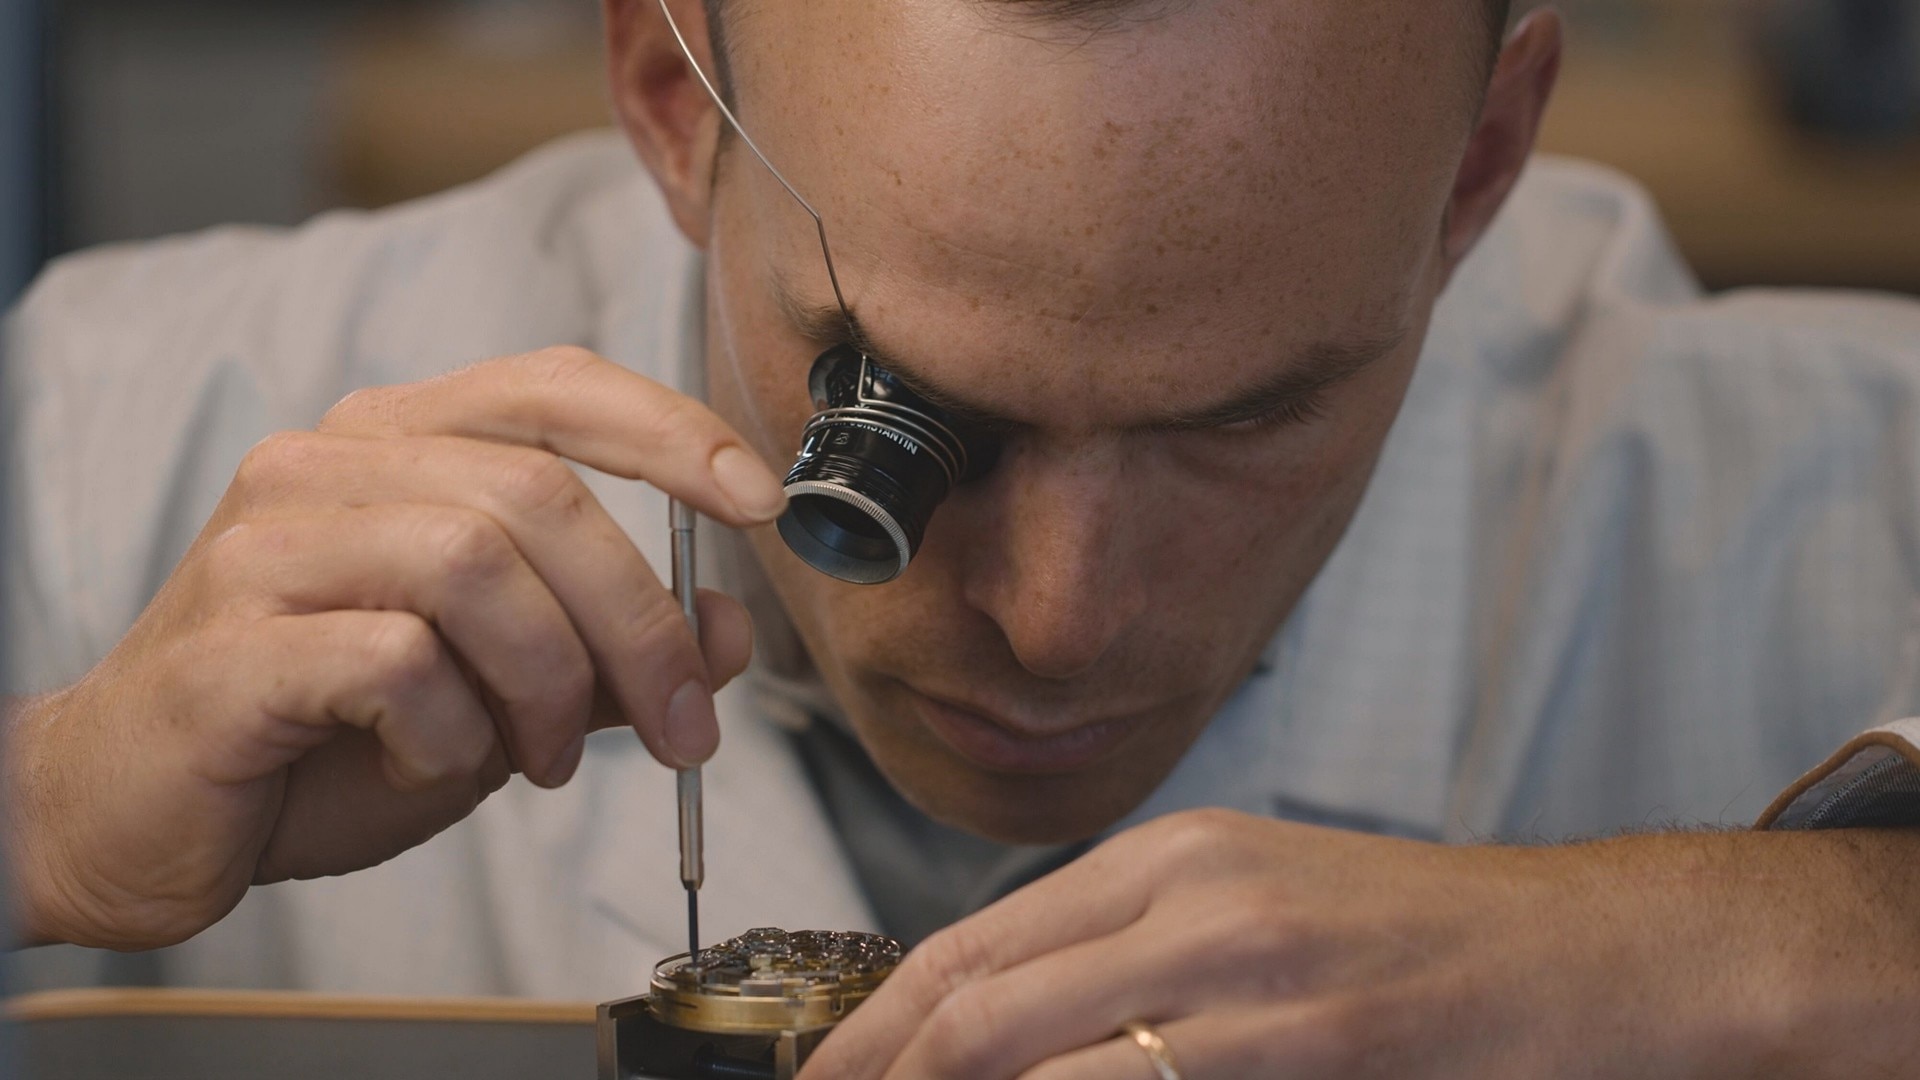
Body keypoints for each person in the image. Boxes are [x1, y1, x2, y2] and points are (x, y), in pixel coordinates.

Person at [6, 0, 1920, 1075]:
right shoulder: (112, 430)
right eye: (913, 418)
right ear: (676, 104)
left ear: (1481, 167)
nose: (1063, 621)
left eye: (1246, 414)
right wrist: (37, 821)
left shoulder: (1848, 497)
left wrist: (1800, 935)